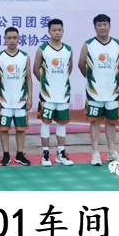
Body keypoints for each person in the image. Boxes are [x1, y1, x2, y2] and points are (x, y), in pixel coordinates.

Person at [78, 13, 119, 166]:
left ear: (109, 26)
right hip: (94, 92)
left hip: (112, 92)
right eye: (99, 25)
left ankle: (112, 152)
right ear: (95, 27)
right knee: (95, 122)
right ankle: (96, 154)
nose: (102, 27)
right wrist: (92, 78)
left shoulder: (117, 44)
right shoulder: (88, 44)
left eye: (105, 24)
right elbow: (81, 64)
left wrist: (109, 77)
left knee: (111, 123)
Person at [33, 20, 74, 166]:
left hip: (63, 94)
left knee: (62, 124)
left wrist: (60, 82)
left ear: (63, 31)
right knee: (46, 124)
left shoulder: (68, 49)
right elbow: (35, 70)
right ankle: (45, 154)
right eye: (54, 30)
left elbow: (69, 69)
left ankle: (61, 154)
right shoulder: (42, 49)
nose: (57, 32)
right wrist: (46, 83)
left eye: (59, 30)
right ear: (49, 32)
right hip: (47, 95)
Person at [0, 25, 32, 166]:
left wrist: (30, 98)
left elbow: (28, 78)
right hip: (4, 100)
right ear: (4, 39)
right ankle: (6, 154)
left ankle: (20, 154)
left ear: (19, 39)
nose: (12, 40)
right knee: (4, 129)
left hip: (21, 100)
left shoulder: (25, 56)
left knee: (21, 129)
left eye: (15, 37)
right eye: (9, 38)